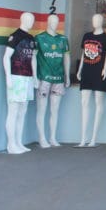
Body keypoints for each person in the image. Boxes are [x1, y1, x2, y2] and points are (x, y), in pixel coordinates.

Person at [76, 13, 106, 148]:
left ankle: (93, 138)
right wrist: (80, 69)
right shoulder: (87, 36)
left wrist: (105, 69)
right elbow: (83, 54)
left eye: (97, 19)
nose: (95, 21)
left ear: (102, 21)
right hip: (86, 72)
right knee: (84, 103)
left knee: (99, 102)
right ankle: (83, 138)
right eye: (93, 19)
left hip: (99, 73)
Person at [2, 12, 37, 154]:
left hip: (28, 78)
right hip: (16, 77)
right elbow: (6, 57)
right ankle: (11, 145)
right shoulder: (15, 36)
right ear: (23, 20)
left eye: (33, 20)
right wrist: (8, 77)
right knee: (13, 111)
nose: (31, 22)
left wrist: (35, 77)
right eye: (29, 19)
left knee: (23, 111)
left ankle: (18, 142)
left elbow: (33, 58)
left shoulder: (31, 39)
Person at [35, 14, 70, 148]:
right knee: (41, 109)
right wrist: (35, 77)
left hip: (58, 78)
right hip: (43, 78)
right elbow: (33, 58)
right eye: (52, 21)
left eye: (56, 22)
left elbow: (66, 58)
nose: (54, 24)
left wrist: (67, 76)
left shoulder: (63, 39)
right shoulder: (39, 38)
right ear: (48, 22)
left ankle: (52, 137)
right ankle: (42, 138)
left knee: (55, 110)